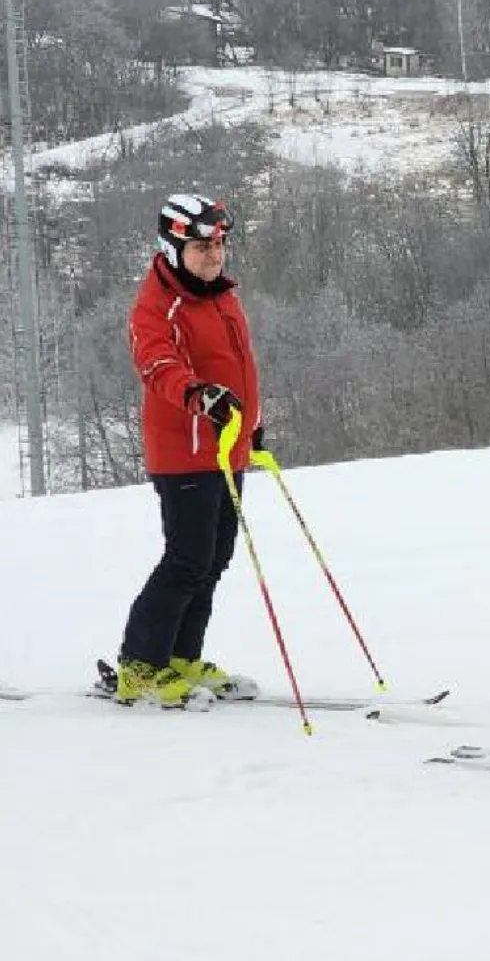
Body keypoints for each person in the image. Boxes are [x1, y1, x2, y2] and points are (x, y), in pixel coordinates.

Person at [118, 193, 262, 708]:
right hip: (185, 453)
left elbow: (237, 365)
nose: (214, 255)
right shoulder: (157, 304)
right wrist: (198, 396)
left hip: (226, 447)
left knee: (214, 559)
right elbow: (157, 364)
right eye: (201, 246)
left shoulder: (221, 294)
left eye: (220, 244)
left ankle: (180, 656)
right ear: (173, 246)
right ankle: (139, 665)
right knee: (186, 560)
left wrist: (251, 426)